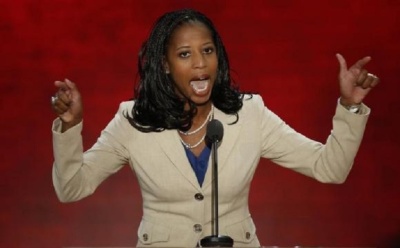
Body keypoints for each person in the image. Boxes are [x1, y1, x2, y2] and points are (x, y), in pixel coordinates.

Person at [50, 8, 380, 248]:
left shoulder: (250, 114)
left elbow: (330, 168)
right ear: (165, 64)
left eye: (207, 51)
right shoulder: (133, 120)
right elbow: (72, 188)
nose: (200, 63)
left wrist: (350, 106)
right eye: (184, 54)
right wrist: (71, 126)